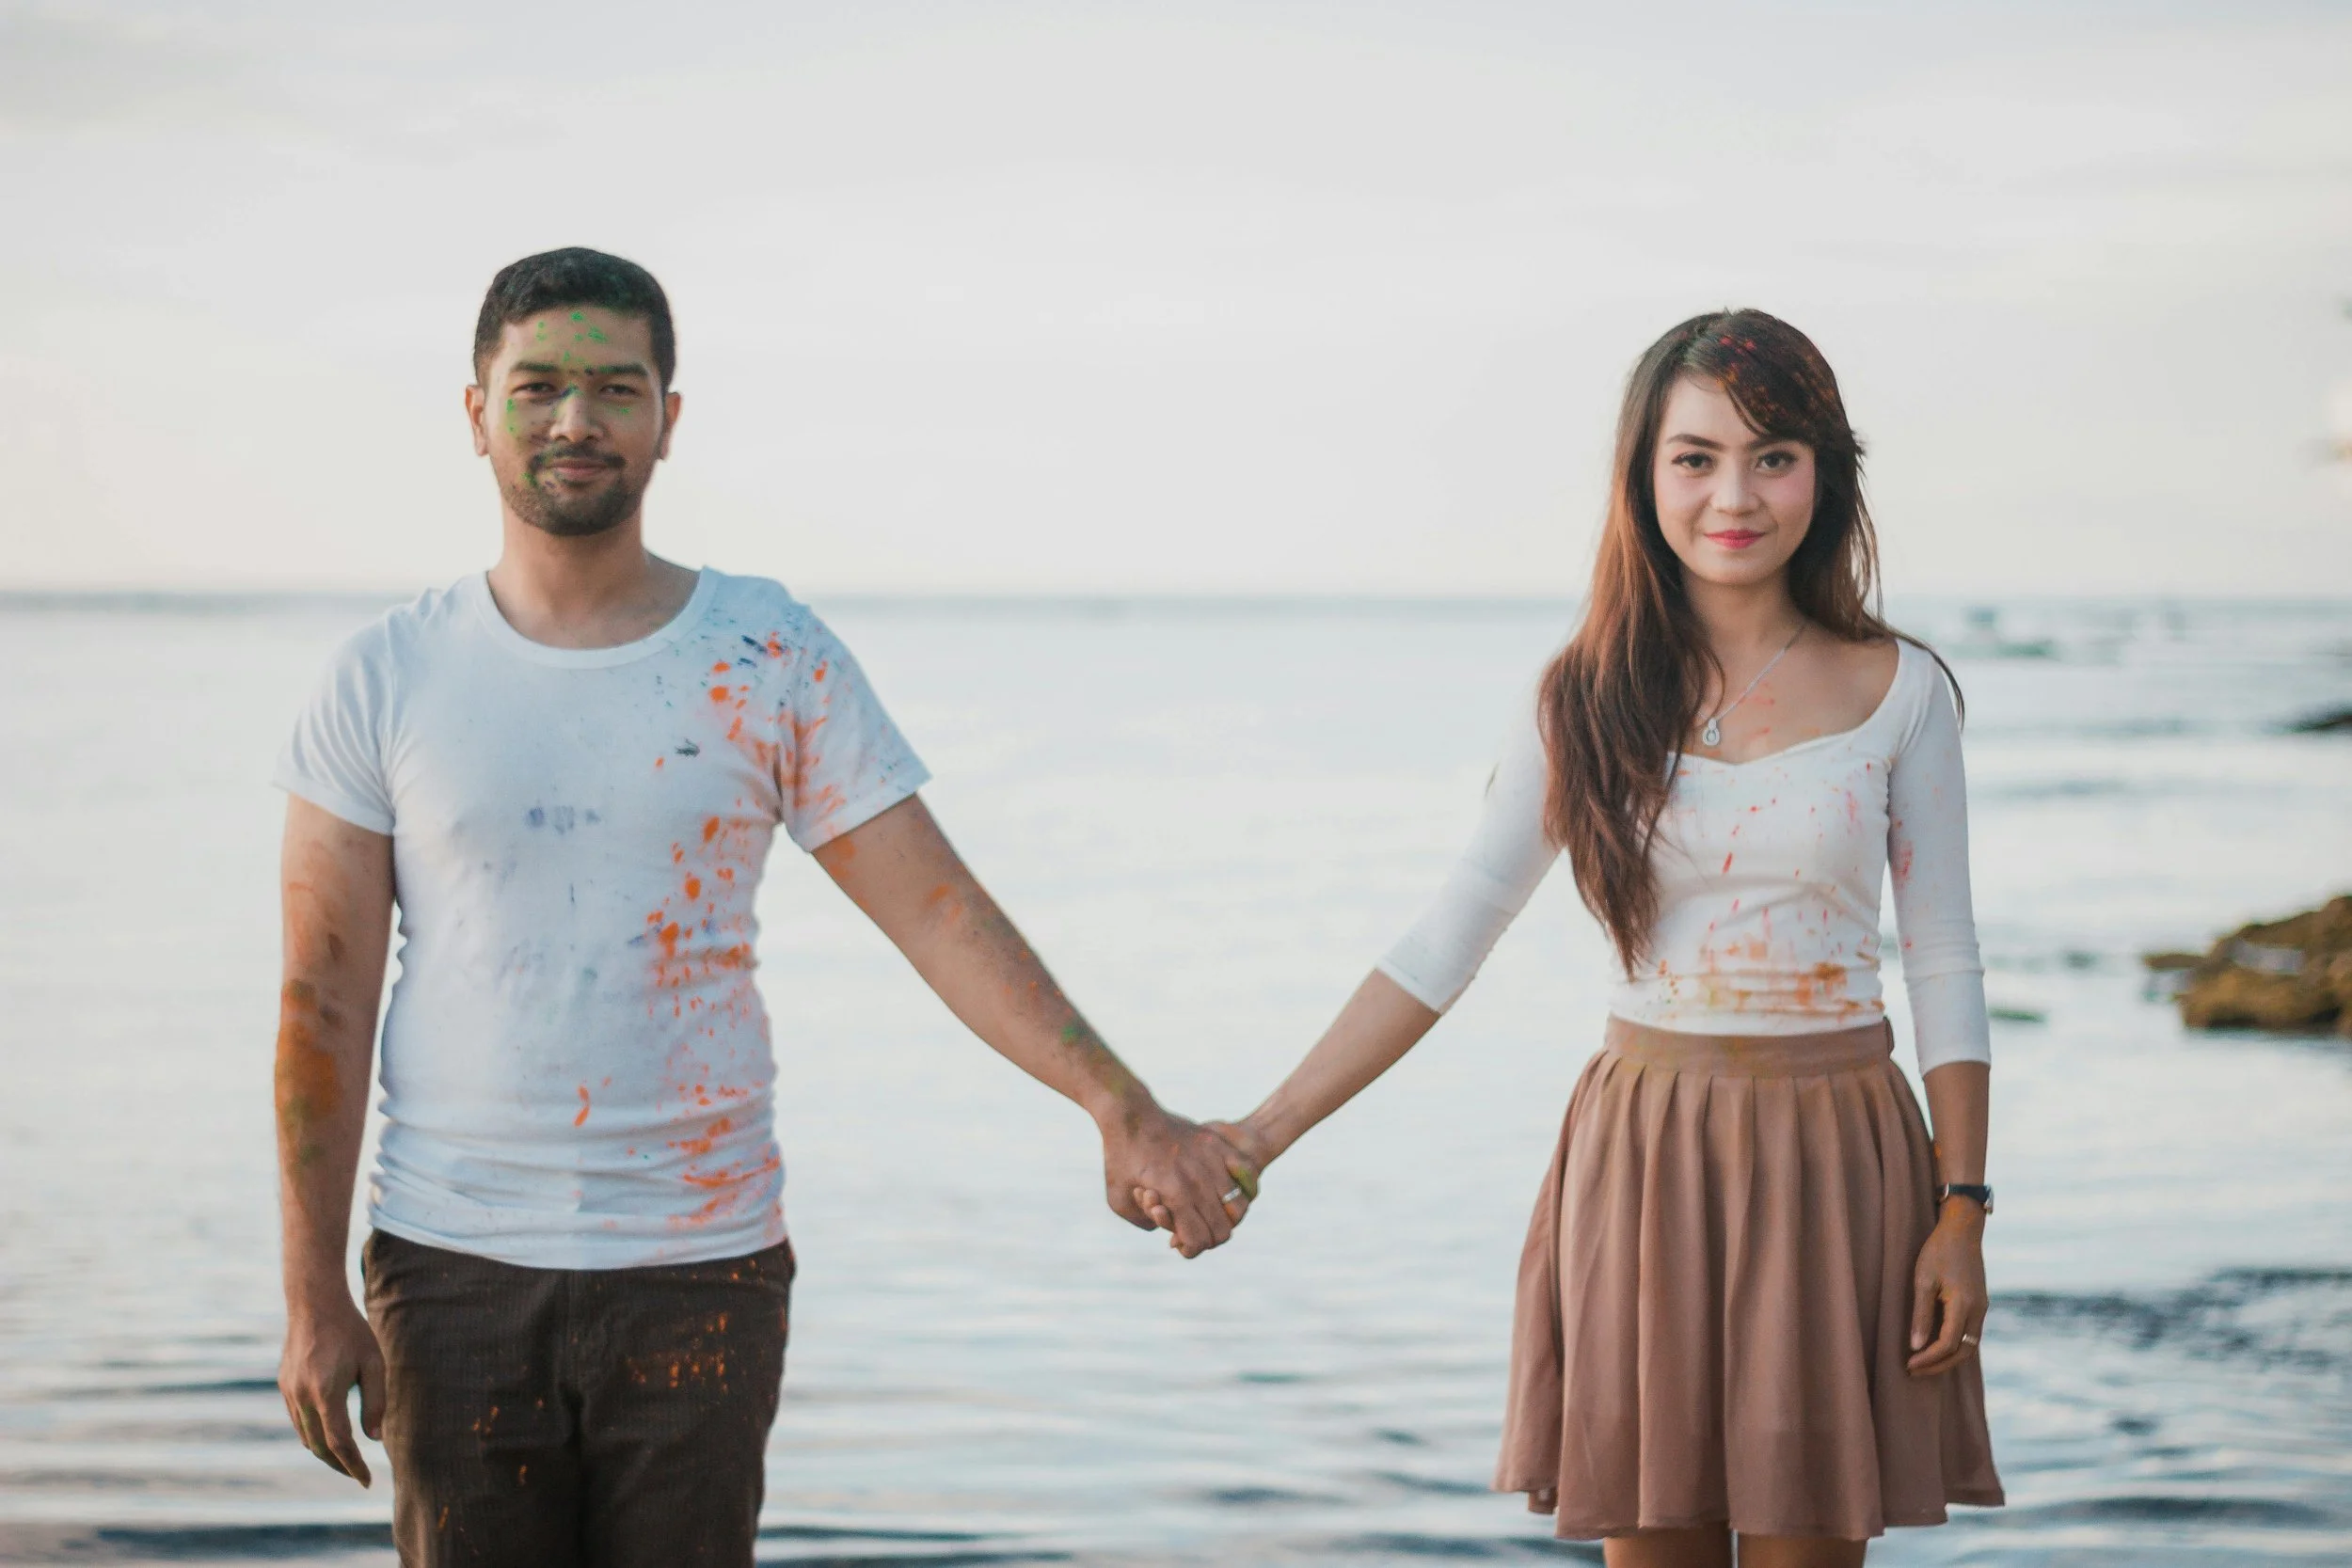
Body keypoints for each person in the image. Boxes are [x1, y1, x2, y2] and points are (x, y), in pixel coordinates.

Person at [271, 246, 1255, 1566]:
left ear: (670, 418)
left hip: (704, 1267)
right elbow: (321, 996)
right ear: (475, 412)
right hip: (452, 1263)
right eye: (539, 386)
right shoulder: (383, 676)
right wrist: (309, 1292)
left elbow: (938, 911)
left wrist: (1119, 1104)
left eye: (616, 387)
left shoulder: (763, 649)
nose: (576, 420)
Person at [1141, 310, 2003, 1565]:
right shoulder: (1584, 695)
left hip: (1844, 1158)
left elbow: (1946, 958)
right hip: (1645, 1158)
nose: (1735, 495)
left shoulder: (1902, 690)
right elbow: (1449, 938)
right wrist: (1254, 1136)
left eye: (1774, 455)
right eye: (1695, 457)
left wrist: (1964, 1208)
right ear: (1643, 476)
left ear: (1826, 470)